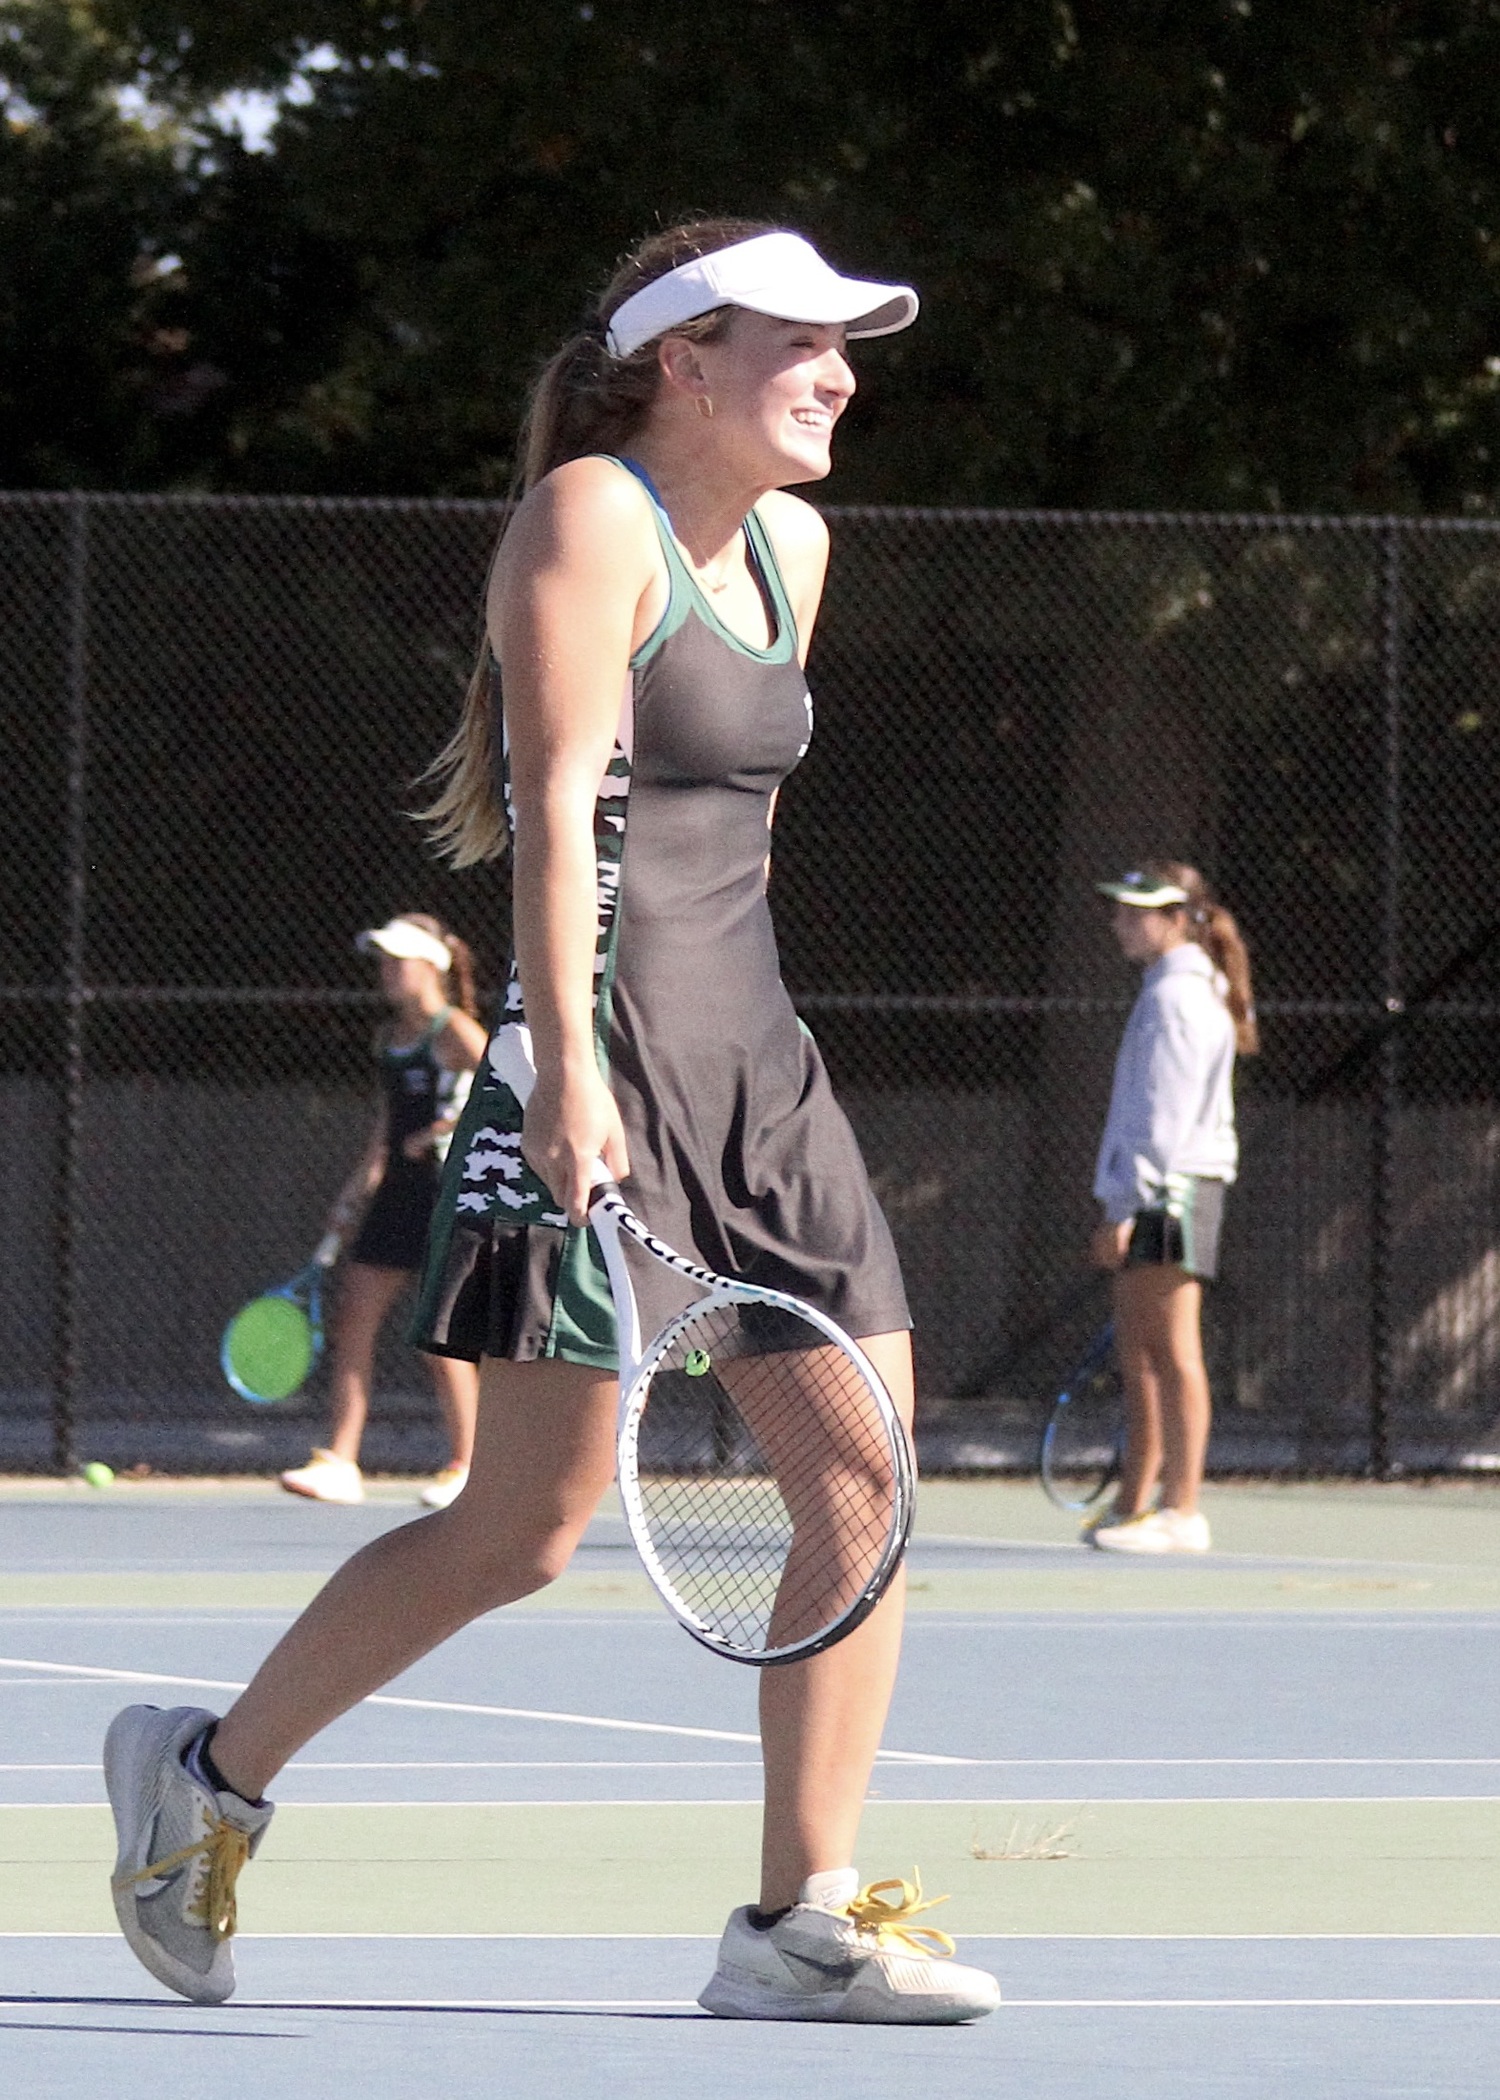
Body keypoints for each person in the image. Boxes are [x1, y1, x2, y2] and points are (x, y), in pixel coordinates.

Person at [102, 219, 999, 2023]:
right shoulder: (590, 518)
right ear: (684, 359)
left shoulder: (796, 547)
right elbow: (563, 801)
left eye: (850, 348)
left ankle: (797, 1923)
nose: (840, 375)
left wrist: (744, 1078)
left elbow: (736, 833)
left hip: (762, 1072)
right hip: (592, 1067)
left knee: (865, 1488)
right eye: (801, 344)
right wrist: (571, 1074)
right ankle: (205, 1777)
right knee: (522, 1528)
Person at [280, 915, 487, 1510]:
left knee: (436, 1338)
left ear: (431, 968)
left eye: (399, 960)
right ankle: (341, 1461)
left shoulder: (459, 1034)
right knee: (352, 1317)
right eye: (383, 961)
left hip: (445, 1192)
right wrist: (358, 1188)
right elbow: (385, 1124)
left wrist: (443, 1130)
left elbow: (514, 1102)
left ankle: (467, 1466)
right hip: (395, 1194)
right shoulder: (388, 1038)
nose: (387, 972)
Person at [1085, 864, 1258, 1554]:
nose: (1122, 923)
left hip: (1172, 1190)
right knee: (1139, 1351)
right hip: (1158, 1189)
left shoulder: (1180, 1000)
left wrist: (1129, 1205)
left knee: (1171, 1349)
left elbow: (1167, 1115)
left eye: (1137, 912)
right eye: (1120, 910)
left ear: (1178, 918)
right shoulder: (1167, 992)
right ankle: (1137, 1502)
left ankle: (1182, 1509)